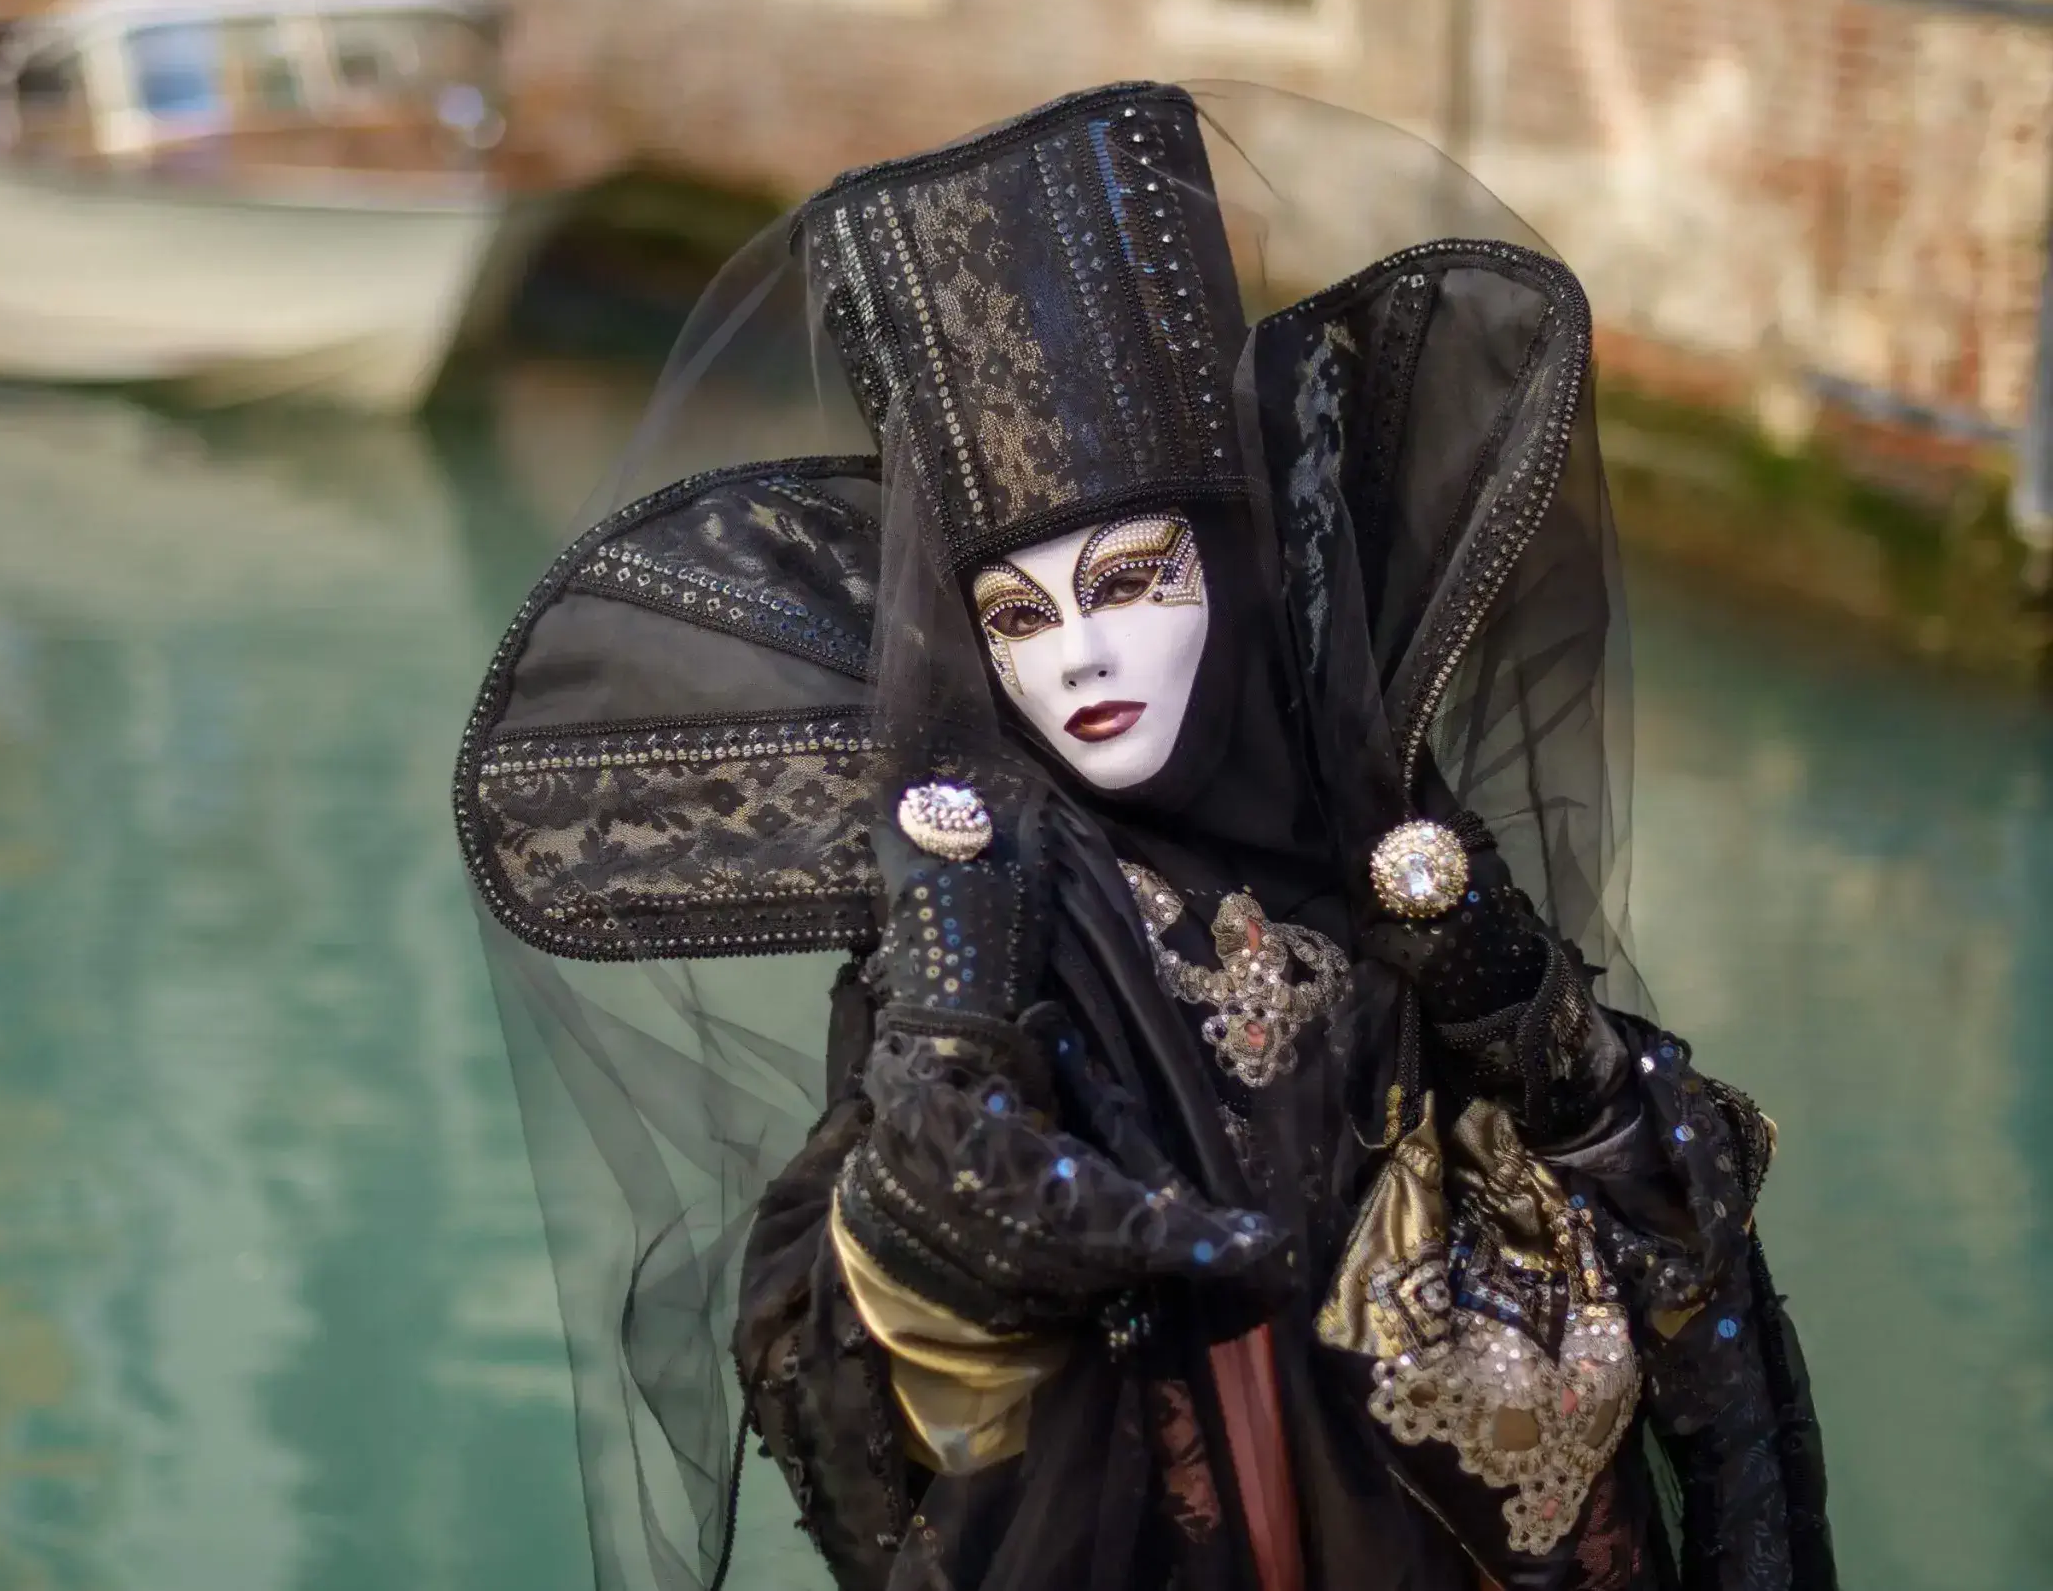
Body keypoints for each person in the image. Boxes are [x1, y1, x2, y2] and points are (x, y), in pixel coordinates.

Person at [453, 81, 1833, 1591]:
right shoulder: (988, 912)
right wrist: (964, 1137)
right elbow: (836, 1359)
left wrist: (1530, 1032)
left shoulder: (1385, 838)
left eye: (1126, 582)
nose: (1081, 661)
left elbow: (1661, 1218)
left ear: (1231, 570)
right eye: (1020, 618)